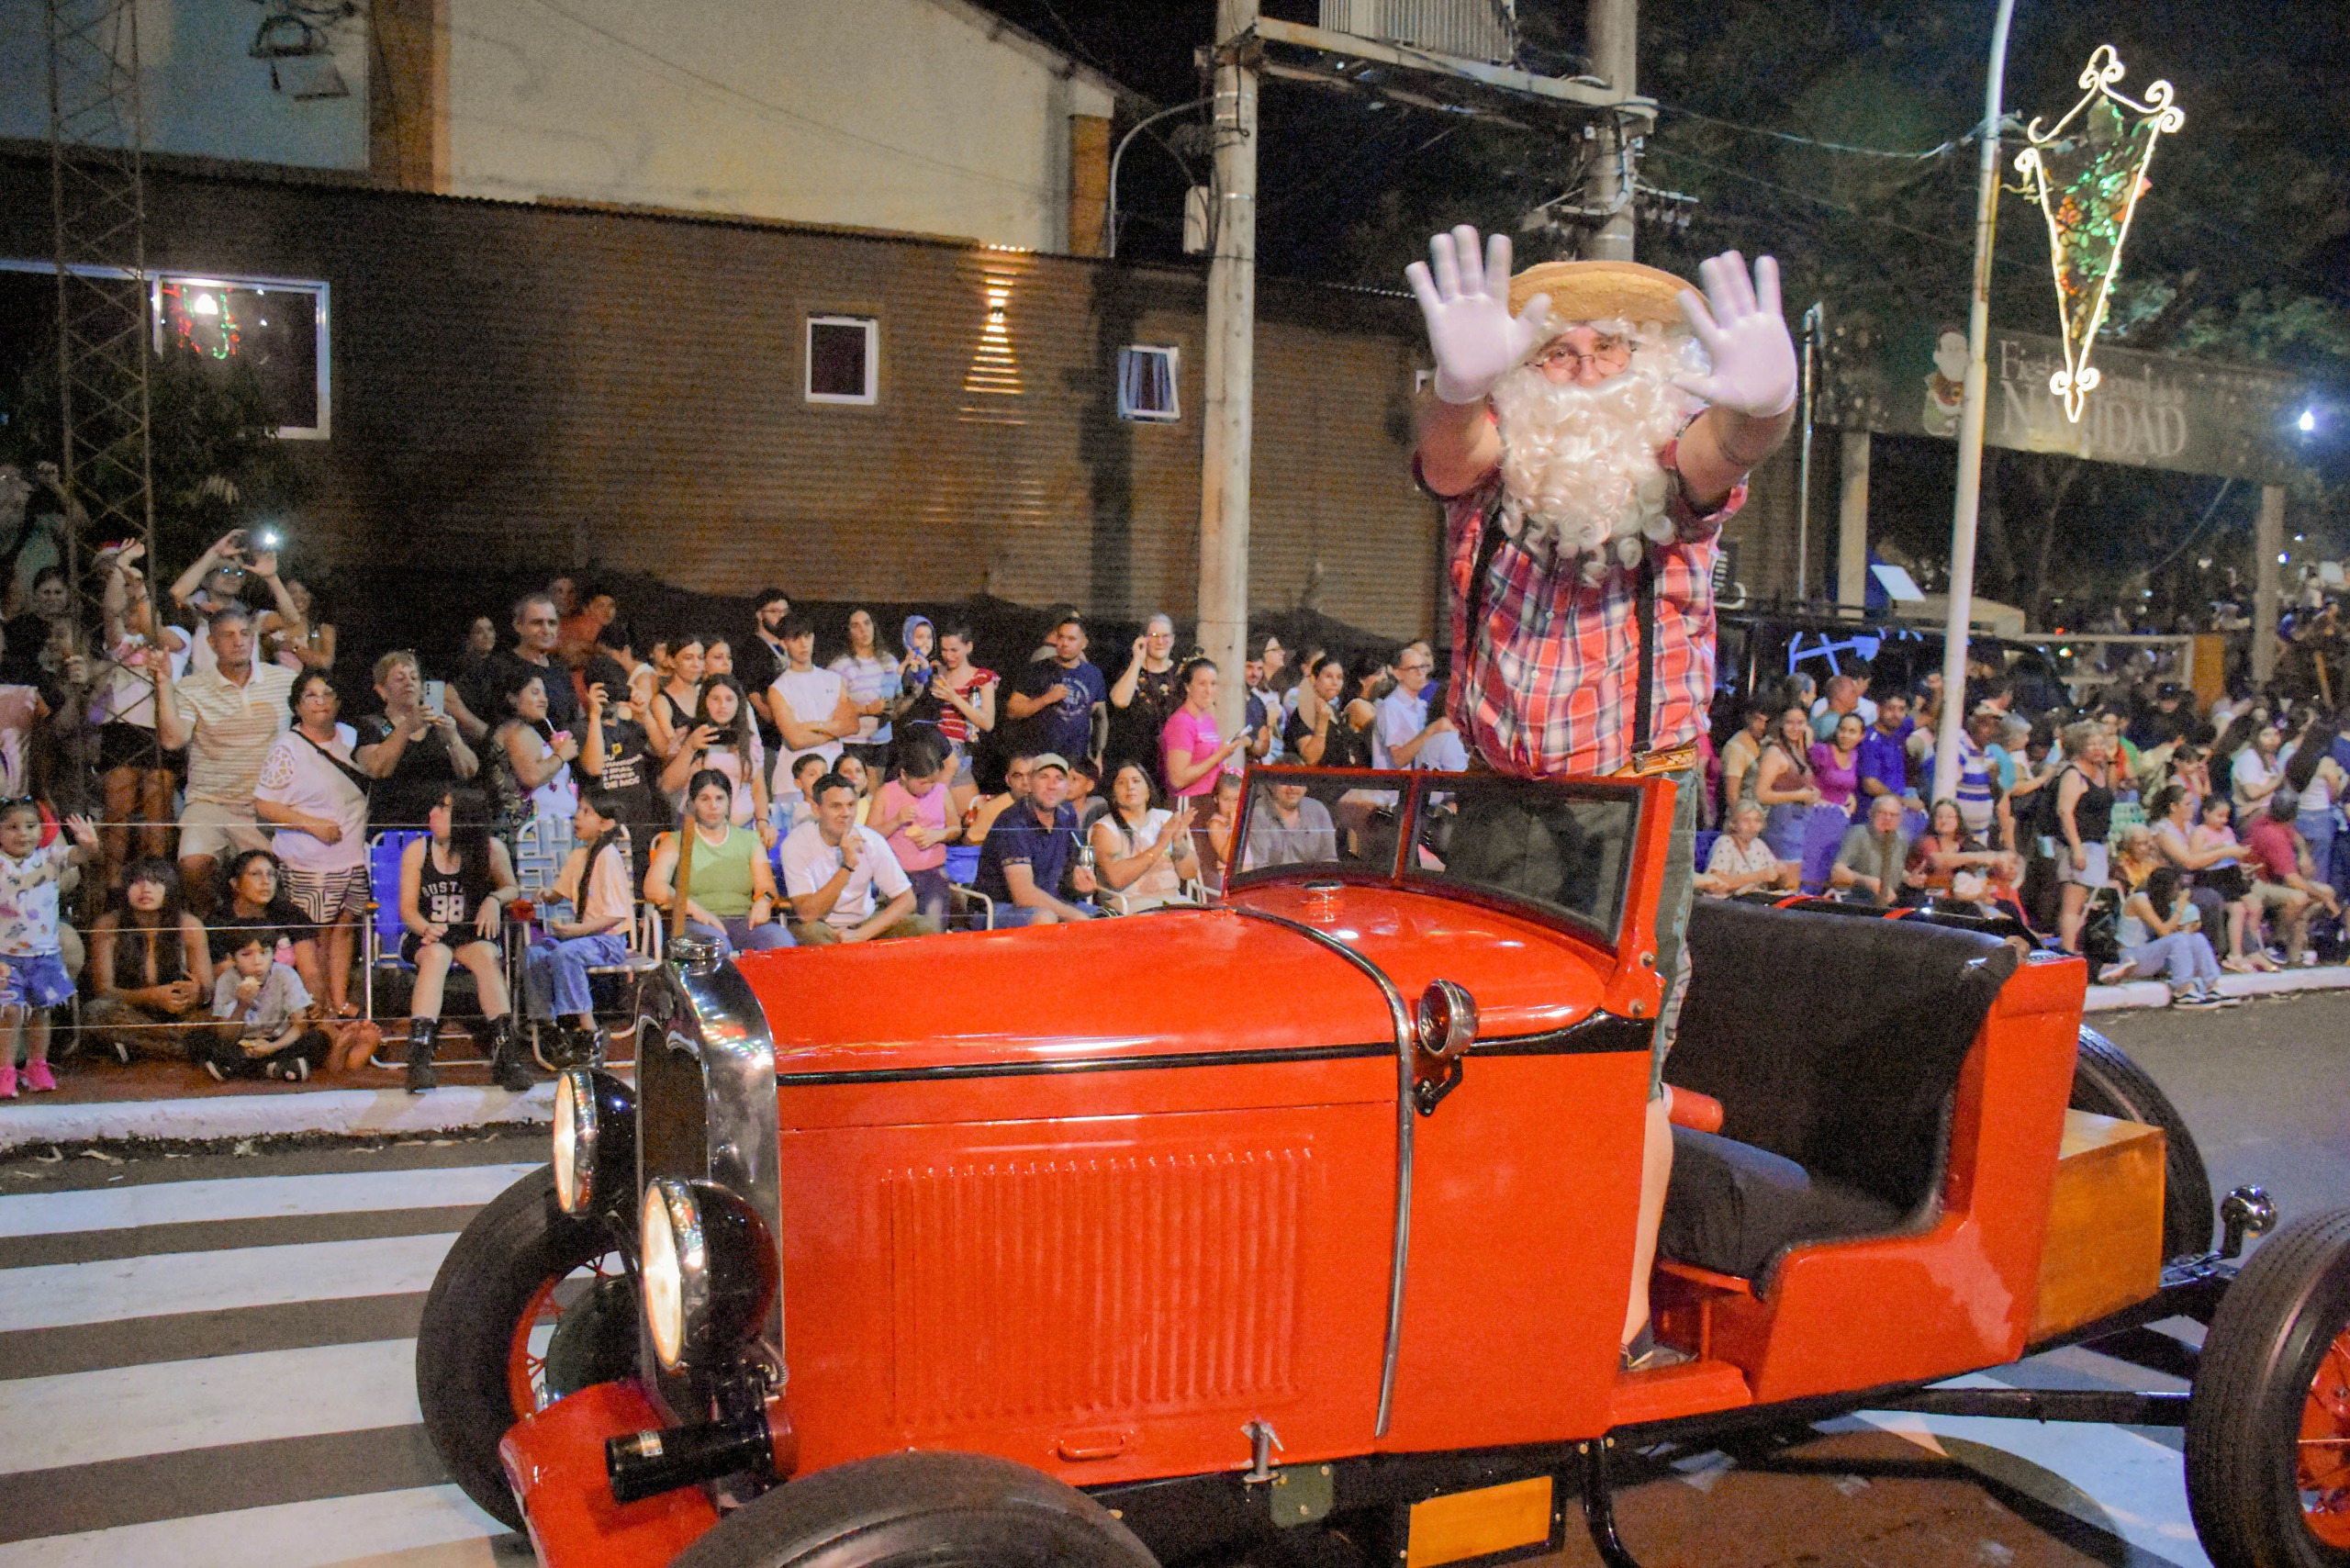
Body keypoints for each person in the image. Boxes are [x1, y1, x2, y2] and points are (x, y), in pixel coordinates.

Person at [153, 603, 297, 910]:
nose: (238, 641)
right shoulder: (193, 686)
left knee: (296, 878)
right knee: (192, 865)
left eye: (245, 633)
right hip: (210, 803)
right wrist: (164, 684)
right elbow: (173, 739)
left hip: (267, 807)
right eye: (228, 635)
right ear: (212, 643)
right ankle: (212, 931)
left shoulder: (284, 681)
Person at [253, 671, 371, 1020]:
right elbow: (264, 804)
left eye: (326, 693)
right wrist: (313, 824)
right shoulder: (287, 748)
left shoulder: (351, 738)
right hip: (308, 859)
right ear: (297, 706)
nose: (320, 700)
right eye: (310, 695)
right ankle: (318, 1008)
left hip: (353, 857)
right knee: (316, 935)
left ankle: (339, 999)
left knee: (345, 928)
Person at [397, 787, 528, 1093]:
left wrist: (494, 899)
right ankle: (419, 1056)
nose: (433, 813)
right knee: (437, 956)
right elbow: (406, 909)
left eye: (444, 809)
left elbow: (512, 887)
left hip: (469, 933)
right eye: (436, 806)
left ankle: (506, 1054)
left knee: (485, 956)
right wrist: (424, 927)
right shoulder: (419, 850)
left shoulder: (490, 849)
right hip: (429, 933)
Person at [523, 790, 635, 1065]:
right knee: (534, 953)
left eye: (587, 812)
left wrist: (577, 932)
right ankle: (548, 1027)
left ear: (605, 824)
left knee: (566, 954)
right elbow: (561, 892)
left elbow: (615, 916)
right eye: (578, 811)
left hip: (607, 940)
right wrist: (547, 894)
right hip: (583, 937)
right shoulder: (578, 857)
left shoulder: (608, 857)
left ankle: (589, 1030)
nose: (577, 817)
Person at [0, 804, 98, 1097]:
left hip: (44, 955)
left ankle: (36, 1065)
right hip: (6, 958)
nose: (23, 834)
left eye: (30, 826)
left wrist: (89, 843)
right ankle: (5, 1070)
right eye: (12, 827)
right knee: (10, 1011)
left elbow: (81, 856)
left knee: (41, 1011)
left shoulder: (50, 858)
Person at [645, 769, 796, 957]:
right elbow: (653, 886)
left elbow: (766, 886)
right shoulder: (677, 841)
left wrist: (764, 901)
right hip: (696, 922)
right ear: (692, 804)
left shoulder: (749, 840)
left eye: (719, 798)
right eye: (705, 799)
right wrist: (694, 909)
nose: (713, 806)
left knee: (781, 941)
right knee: (714, 947)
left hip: (744, 921)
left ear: (729, 803)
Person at [83, 857, 215, 1065]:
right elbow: (103, 990)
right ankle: (185, 1048)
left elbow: (208, 988)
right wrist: (152, 996)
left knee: (220, 1011)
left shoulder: (189, 925)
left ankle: (143, 1048)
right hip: (131, 1014)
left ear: (170, 888)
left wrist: (196, 993)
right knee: (95, 1012)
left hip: (180, 1015)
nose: (145, 889)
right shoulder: (107, 926)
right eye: (137, 882)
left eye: (156, 882)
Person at [779, 771, 934, 944]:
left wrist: (862, 934)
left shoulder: (871, 840)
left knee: (923, 928)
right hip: (822, 925)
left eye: (851, 805)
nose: (846, 813)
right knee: (813, 935)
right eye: (836, 806)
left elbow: (907, 899)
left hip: (865, 922)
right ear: (817, 810)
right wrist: (847, 867)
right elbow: (807, 914)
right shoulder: (796, 844)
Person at [354, 651, 480, 834]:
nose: (409, 683)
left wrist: (453, 739)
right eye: (400, 679)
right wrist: (407, 726)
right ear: (382, 691)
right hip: (395, 830)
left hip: (443, 829)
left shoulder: (440, 724)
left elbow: (469, 771)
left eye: (414, 678)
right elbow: (376, 768)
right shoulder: (372, 726)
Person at [973, 753, 1098, 925]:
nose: (1052, 785)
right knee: (1046, 919)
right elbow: (1023, 894)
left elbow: (1067, 880)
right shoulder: (1013, 821)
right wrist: (1072, 914)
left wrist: (1081, 888)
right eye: (1044, 777)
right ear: (1030, 783)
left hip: (1050, 902)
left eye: (1059, 778)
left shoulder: (1067, 813)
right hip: (997, 908)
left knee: (1108, 917)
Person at [199, 928, 333, 1081]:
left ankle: (239, 1068)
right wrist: (242, 1006)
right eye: (246, 954)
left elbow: (300, 1024)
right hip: (242, 1044)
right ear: (233, 958)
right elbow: (225, 1035)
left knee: (318, 1040)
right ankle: (274, 1068)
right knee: (200, 1040)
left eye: (264, 953)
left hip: (278, 1041)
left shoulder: (285, 975)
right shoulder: (227, 980)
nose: (257, 962)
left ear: (273, 953)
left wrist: (272, 1048)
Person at [448, 592, 581, 744]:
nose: (546, 630)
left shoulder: (560, 670)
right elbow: (448, 697)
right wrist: (493, 738)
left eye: (552, 623)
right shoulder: (498, 666)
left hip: (560, 762)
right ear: (518, 625)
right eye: (537, 623)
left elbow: (573, 718)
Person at [577, 658, 664, 879]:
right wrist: (595, 715)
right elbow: (594, 767)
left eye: (618, 688)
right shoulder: (581, 729)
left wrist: (644, 714)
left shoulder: (634, 727)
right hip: (604, 832)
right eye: (606, 690)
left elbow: (663, 751)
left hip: (640, 828)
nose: (612, 697)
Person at [659, 676, 771, 841]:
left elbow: (758, 786)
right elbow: (668, 786)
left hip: (743, 830)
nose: (722, 705)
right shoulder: (688, 736)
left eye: (729, 699)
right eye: (715, 699)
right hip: (698, 832)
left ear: (739, 703)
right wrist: (690, 747)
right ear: (705, 701)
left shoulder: (749, 740)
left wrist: (763, 821)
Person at [2104, 867, 2230, 1010]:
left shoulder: (2162, 903)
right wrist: (2180, 909)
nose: (2179, 893)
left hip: (2151, 957)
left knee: (2197, 938)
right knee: (2178, 939)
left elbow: (2169, 932)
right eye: (2177, 888)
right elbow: (2164, 932)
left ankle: (2212, 985)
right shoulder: (2139, 900)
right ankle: (2183, 989)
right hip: (2132, 958)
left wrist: (2188, 928)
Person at [870, 731, 958, 928]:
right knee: (901, 929)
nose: (929, 787)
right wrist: (896, 821)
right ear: (904, 775)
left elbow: (956, 828)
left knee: (933, 928)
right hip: (897, 874)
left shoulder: (941, 792)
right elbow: (870, 837)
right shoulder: (886, 793)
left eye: (933, 781)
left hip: (932, 873)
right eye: (923, 782)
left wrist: (939, 834)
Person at [767, 614, 856, 803]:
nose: (803, 644)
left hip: (833, 775)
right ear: (783, 643)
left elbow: (850, 725)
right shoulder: (779, 688)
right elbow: (795, 739)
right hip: (793, 784)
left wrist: (813, 725)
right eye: (795, 639)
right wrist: (832, 729)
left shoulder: (833, 679)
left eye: (807, 637)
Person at [1091, 761, 1201, 912]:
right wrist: (1161, 843)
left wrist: (1177, 842)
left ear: (1148, 791)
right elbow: (1116, 878)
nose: (1130, 787)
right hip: (1131, 905)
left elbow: (1189, 873)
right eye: (1122, 783)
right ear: (1113, 795)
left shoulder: (1165, 818)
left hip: (1174, 901)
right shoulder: (1104, 828)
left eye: (1136, 781)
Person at [484, 670, 580, 841]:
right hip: (527, 835)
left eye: (544, 693)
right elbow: (532, 776)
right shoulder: (517, 732)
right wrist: (561, 756)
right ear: (512, 698)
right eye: (535, 693)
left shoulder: (526, 731)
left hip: (548, 833)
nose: (544, 699)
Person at [2052, 720, 2119, 956]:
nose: (2099, 748)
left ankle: (2081, 949)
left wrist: (2110, 760)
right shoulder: (2073, 774)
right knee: (2073, 902)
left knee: (2089, 904)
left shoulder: (2100, 770)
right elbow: (2064, 811)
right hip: (2078, 845)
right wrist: (2077, 848)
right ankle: (2068, 951)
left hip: (2098, 843)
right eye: (2092, 744)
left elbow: (2111, 792)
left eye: (2101, 743)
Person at [1005, 612, 1106, 767]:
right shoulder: (1037, 670)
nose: (1064, 643)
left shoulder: (1094, 674)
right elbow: (1013, 710)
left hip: (1075, 759)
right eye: (1061, 637)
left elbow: (1100, 718)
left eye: (1071, 639)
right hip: (1038, 756)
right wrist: (1046, 699)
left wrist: (1097, 755)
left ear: (1084, 643)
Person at [2188, 795, 2275, 973]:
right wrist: (2221, 850)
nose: (2223, 820)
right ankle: (2236, 954)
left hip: (2232, 874)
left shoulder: (2227, 831)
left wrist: (2243, 861)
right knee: (2238, 909)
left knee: (2255, 907)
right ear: (2206, 813)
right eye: (2219, 816)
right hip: (2212, 877)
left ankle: (2251, 949)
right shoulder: (2200, 832)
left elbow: (2233, 855)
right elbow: (2196, 856)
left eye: (2226, 816)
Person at [2244, 794, 2332, 966]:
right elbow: (2293, 880)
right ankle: (2278, 939)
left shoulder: (2273, 821)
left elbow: (2294, 834)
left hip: (2274, 881)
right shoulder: (2271, 833)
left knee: (2326, 891)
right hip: (2256, 883)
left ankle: (2295, 949)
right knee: (2301, 898)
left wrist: (2304, 854)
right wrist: (2324, 898)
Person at [1161, 656, 1251, 801]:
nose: (1208, 690)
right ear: (1188, 686)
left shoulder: (1207, 720)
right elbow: (1177, 779)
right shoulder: (1181, 722)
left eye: (1213, 683)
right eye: (1202, 684)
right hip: (1191, 802)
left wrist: (1224, 751)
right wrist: (1219, 755)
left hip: (1210, 798)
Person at [1106, 613, 1182, 778]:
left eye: (1165, 636)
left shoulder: (1182, 674)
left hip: (1171, 761)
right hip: (1136, 760)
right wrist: (1137, 660)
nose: (1160, 642)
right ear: (1143, 639)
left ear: (1173, 640)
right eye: (1154, 636)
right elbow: (1119, 700)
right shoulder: (1132, 671)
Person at [1372, 643, 1467, 770]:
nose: (1421, 673)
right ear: (1398, 673)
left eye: (1423, 667)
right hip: (1391, 787)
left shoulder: (1420, 705)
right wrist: (1431, 730)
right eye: (1413, 668)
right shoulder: (1390, 707)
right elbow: (1398, 759)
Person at [829, 610, 897, 774]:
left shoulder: (889, 661)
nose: (863, 630)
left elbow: (897, 699)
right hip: (852, 741)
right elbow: (831, 704)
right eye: (855, 626)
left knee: (875, 794)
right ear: (848, 632)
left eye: (867, 623)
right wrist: (866, 709)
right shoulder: (841, 665)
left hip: (881, 741)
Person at [1752, 707, 1822, 861]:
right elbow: (1760, 794)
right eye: (1790, 723)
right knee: (1789, 880)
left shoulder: (1799, 750)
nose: (1795, 728)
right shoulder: (1775, 753)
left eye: (1800, 723)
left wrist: (1813, 793)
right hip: (1781, 825)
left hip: (1800, 822)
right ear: (1781, 725)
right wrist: (1797, 795)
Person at [1695, 799, 1796, 897]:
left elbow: (1775, 882)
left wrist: (1781, 873)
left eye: (1757, 821)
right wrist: (1758, 876)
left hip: (1755, 902)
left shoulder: (1759, 844)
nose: (1752, 825)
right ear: (1733, 824)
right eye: (1745, 820)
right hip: (1729, 904)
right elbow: (1716, 883)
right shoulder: (1725, 843)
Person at [1830, 791, 1914, 907]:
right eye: (1882, 813)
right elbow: (1837, 872)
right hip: (1857, 901)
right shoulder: (1858, 833)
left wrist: (1909, 878)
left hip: (1889, 904)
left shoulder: (1902, 838)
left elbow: (1895, 868)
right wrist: (1868, 881)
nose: (1888, 818)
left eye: (1893, 815)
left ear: (1900, 819)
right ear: (1870, 813)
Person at [1288, 655, 1370, 768]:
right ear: (1314, 679)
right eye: (1329, 676)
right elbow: (1310, 759)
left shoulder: (1335, 713)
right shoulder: (1305, 712)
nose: (1335, 682)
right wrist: (1321, 723)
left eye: (1339, 677)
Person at [736, 588, 792, 752]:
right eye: (774, 611)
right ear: (760, 615)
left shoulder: (793, 645)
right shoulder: (751, 648)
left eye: (785, 611)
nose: (781, 616)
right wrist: (777, 721)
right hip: (767, 735)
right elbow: (752, 693)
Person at [1242, 778, 1339, 869]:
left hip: (1312, 882)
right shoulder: (1258, 813)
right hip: (1273, 884)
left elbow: (1329, 859)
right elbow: (1260, 867)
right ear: (1271, 784)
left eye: (1298, 781)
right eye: (1285, 781)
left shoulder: (1318, 809)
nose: (1292, 788)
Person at [644, 633, 707, 762]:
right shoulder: (662, 701)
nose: (696, 664)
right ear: (671, 661)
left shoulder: (706, 694)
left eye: (700, 658)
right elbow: (668, 749)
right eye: (688, 658)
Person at [1855, 692, 1916, 806]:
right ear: (1879, 709)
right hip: (1873, 810)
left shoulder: (1898, 731)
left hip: (1896, 808)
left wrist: (1937, 689)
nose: (1896, 714)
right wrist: (1903, 802)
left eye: (1901, 709)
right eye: (1891, 709)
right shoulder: (1869, 739)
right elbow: (1870, 784)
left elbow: (1929, 716)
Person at [1717, 701, 1772, 813]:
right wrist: (1740, 819)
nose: (1762, 726)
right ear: (1748, 717)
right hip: (1744, 817)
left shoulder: (1767, 742)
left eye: (1766, 722)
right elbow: (1732, 794)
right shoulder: (1736, 747)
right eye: (1758, 720)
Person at [1809, 711, 1864, 818]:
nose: (1845, 736)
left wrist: (1851, 796)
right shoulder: (1821, 751)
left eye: (1852, 732)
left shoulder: (1855, 755)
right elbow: (1804, 782)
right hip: (1817, 814)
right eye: (1842, 730)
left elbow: (1846, 785)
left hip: (1841, 817)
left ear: (1861, 736)